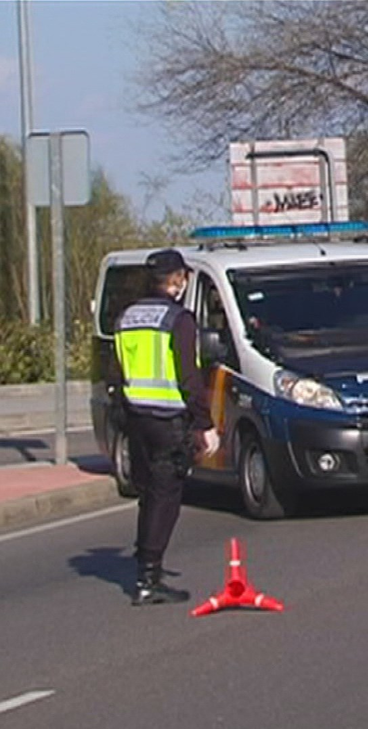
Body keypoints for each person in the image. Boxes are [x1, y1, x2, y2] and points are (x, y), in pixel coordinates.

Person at [107, 249, 219, 605]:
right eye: (183, 277)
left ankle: (146, 569)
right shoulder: (178, 320)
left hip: (135, 418)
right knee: (165, 497)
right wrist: (205, 425)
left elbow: (118, 369)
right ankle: (148, 579)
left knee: (149, 495)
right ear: (176, 280)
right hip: (168, 420)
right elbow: (189, 377)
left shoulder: (126, 317)